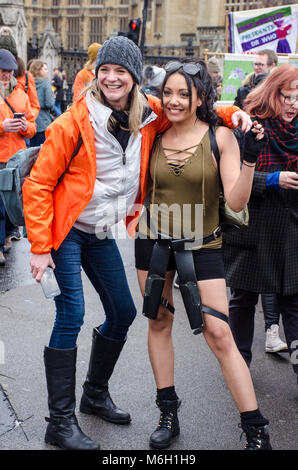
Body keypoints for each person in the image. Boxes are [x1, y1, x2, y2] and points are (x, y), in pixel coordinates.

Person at [22, 35, 254, 451]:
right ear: (96, 75)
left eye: (121, 71)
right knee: (71, 313)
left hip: (102, 230)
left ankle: (93, 394)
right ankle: (59, 421)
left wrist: (234, 112)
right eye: (105, 70)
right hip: (67, 229)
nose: (111, 77)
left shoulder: (149, 115)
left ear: (133, 77)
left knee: (125, 310)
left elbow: (193, 108)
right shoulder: (70, 123)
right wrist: (39, 246)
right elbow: (38, 184)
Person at [135, 58, 271, 450]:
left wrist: (248, 159)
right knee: (159, 322)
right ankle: (168, 411)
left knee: (219, 334)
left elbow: (237, 199)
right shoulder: (155, 131)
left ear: (200, 98)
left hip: (203, 244)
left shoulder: (220, 137)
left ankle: (256, 430)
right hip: (152, 242)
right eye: (169, 93)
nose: (173, 101)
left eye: (184, 94)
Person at [223, 64, 298, 381]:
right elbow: (232, 181)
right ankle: (239, 362)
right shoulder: (251, 127)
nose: (293, 104)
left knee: (293, 299)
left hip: (291, 226)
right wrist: (273, 179)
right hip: (252, 224)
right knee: (243, 298)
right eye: (287, 96)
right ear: (273, 93)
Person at [0, 49, 36, 265]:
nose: (6, 76)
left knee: (11, 204)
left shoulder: (21, 94)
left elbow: (32, 125)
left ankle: (6, 237)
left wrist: (25, 127)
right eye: (3, 71)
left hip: (16, 160)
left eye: (9, 72)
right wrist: (2, 127)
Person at [29, 60, 55, 146]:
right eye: (45, 69)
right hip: (43, 123)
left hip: (30, 122)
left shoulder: (28, 82)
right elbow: (49, 103)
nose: (47, 71)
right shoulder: (45, 83)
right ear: (39, 70)